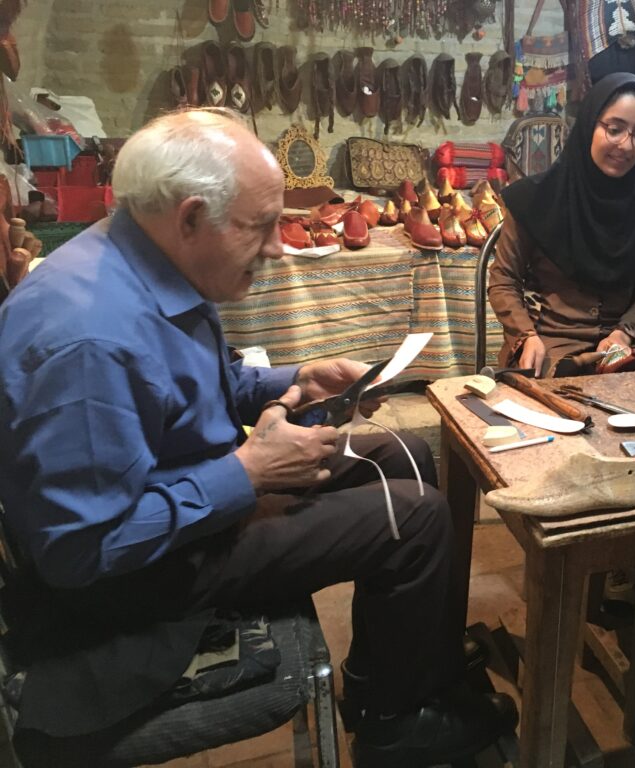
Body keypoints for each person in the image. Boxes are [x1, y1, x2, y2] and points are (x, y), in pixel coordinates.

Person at [0, 109, 514, 768]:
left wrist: (296, 375)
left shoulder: (140, 257)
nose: (277, 247)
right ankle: (393, 724)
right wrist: (247, 473)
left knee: (402, 451)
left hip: (173, 499)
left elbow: (190, 384)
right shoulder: (88, 340)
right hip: (139, 583)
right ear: (189, 218)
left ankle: (412, 667)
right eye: (260, 227)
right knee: (411, 517)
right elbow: (83, 550)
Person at [491, 72, 635, 378]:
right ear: (590, 124)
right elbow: (504, 279)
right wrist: (525, 335)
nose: (626, 145)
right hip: (548, 343)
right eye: (615, 129)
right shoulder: (536, 199)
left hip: (618, 349)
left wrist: (626, 332)